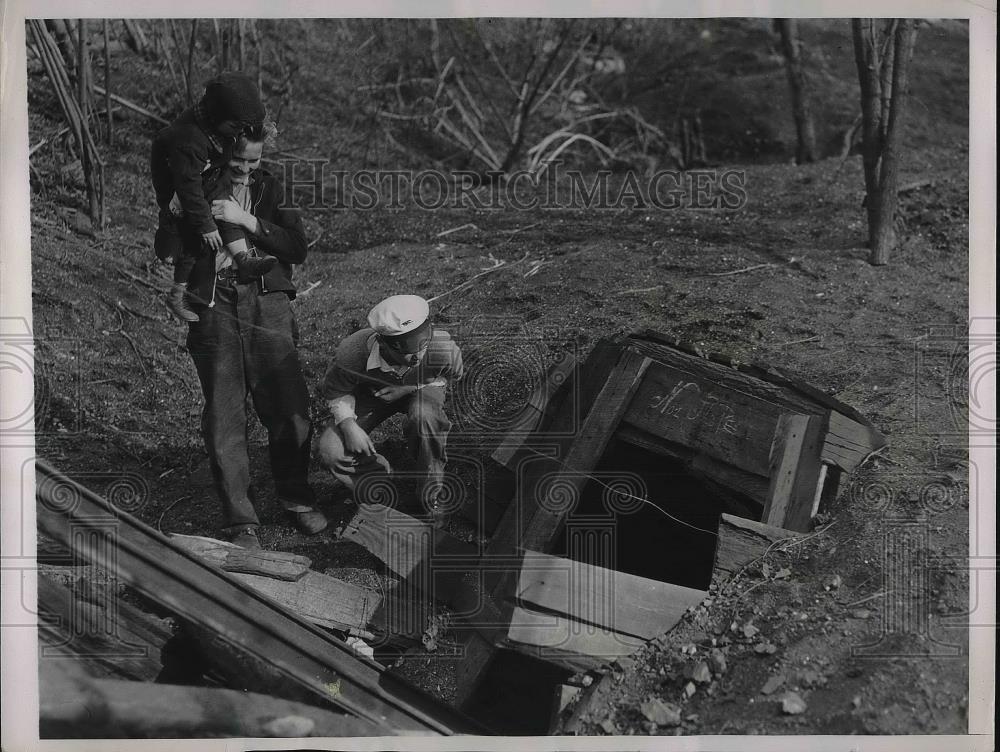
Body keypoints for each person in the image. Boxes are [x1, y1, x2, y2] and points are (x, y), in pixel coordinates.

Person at [184, 123, 326, 550]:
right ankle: (240, 523)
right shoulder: (196, 186)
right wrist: (182, 216)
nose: (246, 168)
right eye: (238, 160)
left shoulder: (271, 188)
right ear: (223, 151)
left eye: (254, 160)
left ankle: (296, 498)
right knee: (225, 414)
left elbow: (297, 247)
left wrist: (247, 221)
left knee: (289, 405)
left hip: (267, 302)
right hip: (214, 303)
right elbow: (167, 244)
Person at [317, 295, 463, 518]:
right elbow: (335, 391)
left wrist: (409, 387)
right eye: (407, 348)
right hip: (374, 395)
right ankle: (379, 484)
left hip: (422, 387)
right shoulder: (353, 354)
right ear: (383, 343)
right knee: (330, 450)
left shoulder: (441, 347)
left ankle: (430, 495)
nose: (418, 355)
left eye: (423, 342)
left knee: (425, 418)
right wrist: (347, 425)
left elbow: (450, 375)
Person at [150, 71, 276, 322]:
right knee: (195, 241)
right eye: (236, 127)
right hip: (183, 188)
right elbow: (188, 189)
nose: (239, 133)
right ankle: (178, 295)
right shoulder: (189, 140)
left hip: (209, 175)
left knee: (226, 210)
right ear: (218, 116)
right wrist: (206, 226)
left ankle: (244, 259)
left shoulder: (220, 128)